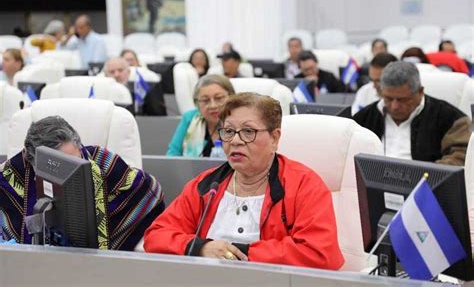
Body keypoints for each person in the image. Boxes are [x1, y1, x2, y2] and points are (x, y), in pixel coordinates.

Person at [145, 92, 344, 269]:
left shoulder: (304, 185)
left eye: (248, 131)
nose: (235, 141)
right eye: (228, 131)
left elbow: (321, 254)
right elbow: (156, 236)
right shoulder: (207, 184)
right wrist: (201, 247)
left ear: (274, 138)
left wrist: (236, 253)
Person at [0, 116, 165, 250]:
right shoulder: (9, 177)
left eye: (73, 161)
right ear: (31, 160)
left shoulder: (102, 162)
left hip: (95, 268)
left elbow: (150, 191)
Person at [353, 61, 471, 166]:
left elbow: (461, 156)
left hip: (426, 187)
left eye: (403, 100)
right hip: (372, 185)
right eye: (388, 99)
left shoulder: (450, 119)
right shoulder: (364, 118)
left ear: (420, 92)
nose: (395, 106)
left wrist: (427, 175)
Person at [167, 74, 235, 157]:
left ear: (231, 97)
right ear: (197, 103)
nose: (212, 105)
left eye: (219, 98)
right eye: (205, 100)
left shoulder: (242, 119)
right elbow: (173, 154)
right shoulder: (190, 118)